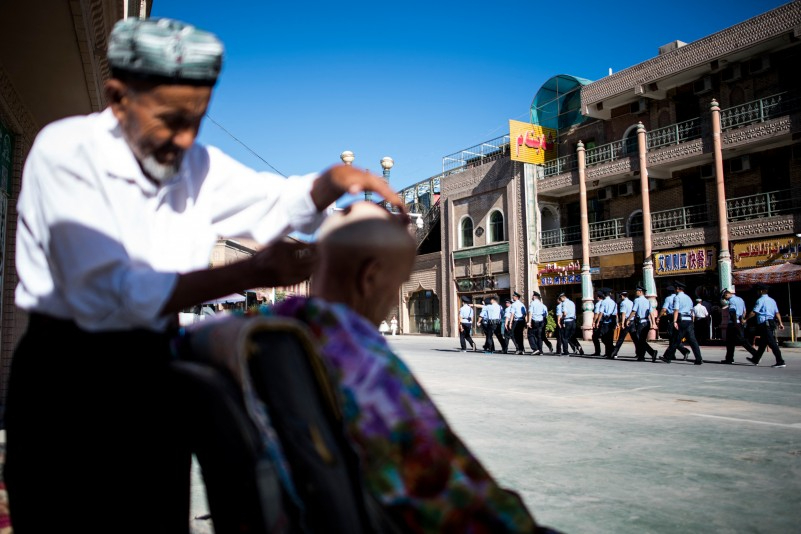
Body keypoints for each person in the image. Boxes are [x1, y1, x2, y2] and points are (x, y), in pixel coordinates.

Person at [4, 17, 405, 533]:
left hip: (154, 370)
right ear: (118, 96)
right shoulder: (65, 152)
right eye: (171, 119)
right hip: (69, 378)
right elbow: (106, 293)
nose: (185, 137)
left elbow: (272, 200)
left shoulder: (195, 164)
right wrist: (256, 269)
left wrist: (332, 182)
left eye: (198, 119)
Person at [259, 201, 558, 532]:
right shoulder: (363, 365)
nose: (391, 301)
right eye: (395, 284)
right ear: (370, 276)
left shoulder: (256, 330)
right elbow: (450, 496)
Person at [659, 280, 703, 365]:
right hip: (689, 320)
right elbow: (691, 310)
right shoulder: (688, 298)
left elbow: (676, 310)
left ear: (678, 289)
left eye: (676, 288)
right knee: (693, 341)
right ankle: (699, 359)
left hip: (681, 320)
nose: (675, 290)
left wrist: (675, 321)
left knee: (675, 339)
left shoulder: (677, 297)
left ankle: (667, 357)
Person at [744, 283, 787, 368]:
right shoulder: (772, 300)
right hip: (770, 322)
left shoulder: (760, 300)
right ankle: (756, 359)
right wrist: (780, 323)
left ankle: (780, 361)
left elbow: (754, 312)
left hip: (764, 323)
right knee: (763, 343)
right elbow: (777, 313)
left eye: (757, 291)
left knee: (772, 343)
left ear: (760, 291)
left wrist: (745, 319)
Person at [719, 288, 757, 364]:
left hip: (733, 323)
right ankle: (729, 358)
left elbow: (732, 312)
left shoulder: (731, 300)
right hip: (739, 322)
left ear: (727, 294)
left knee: (741, 340)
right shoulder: (740, 299)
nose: (725, 299)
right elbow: (744, 311)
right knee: (730, 342)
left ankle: (756, 354)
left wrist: (735, 322)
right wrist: (742, 320)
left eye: (724, 297)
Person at [658, 285, 691, 359]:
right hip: (681, 318)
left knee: (673, 337)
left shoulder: (668, 298)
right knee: (675, 337)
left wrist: (658, 317)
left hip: (672, 319)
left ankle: (684, 351)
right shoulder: (680, 297)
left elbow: (664, 309)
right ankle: (672, 354)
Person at [628, 284, 658, 361]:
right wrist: (653, 323)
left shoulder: (637, 300)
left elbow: (634, 311)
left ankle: (651, 352)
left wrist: (628, 319)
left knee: (640, 340)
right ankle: (642, 356)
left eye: (637, 291)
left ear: (640, 291)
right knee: (642, 340)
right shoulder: (647, 301)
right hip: (647, 323)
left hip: (641, 322)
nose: (636, 292)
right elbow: (651, 313)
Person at [609, 290, 634, 359]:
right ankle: (642, 352)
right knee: (636, 339)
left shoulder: (623, 303)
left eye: (620, 296)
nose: (620, 297)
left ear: (622, 296)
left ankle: (614, 353)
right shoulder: (631, 302)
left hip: (626, 321)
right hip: (632, 321)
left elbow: (623, 313)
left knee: (620, 339)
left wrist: (622, 323)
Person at [598, 289, 618, 358]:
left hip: (606, 322)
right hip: (612, 322)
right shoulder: (614, 302)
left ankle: (612, 351)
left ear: (604, 295)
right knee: (610, 338)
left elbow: (601, 312)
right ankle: (609, 352)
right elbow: (616, 314)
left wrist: (598, 321)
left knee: (604, 338)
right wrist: (617, 323)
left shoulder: (603, 302)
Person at [527, 290, 547, 355]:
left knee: (530, 335)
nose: (532, 297)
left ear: (535, 297)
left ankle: (535, 349)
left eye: (533, 296)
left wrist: (529, 322)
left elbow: (530, 312)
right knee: (539, 336)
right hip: (541, 321)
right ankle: (540, 350)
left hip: (534, 321)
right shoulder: (542, 304)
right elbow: (545, 314)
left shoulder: (533, 303)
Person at [590, 291, 604, 356]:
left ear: (598, 297)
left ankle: (597, 351)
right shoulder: (604, 302)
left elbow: (596, 314)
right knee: (605, 337)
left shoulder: (598, 304)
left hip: (598, 322)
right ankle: (609, 351)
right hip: (604, 322)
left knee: (595, 337)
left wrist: (594, 322)